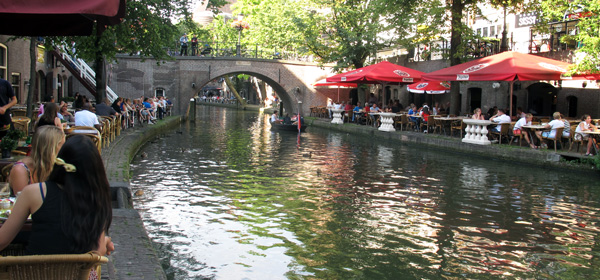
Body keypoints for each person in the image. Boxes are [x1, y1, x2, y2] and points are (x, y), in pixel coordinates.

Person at [0, 135, 114, 257]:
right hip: (77, 274)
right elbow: (97, 251)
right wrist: (105, 240)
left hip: (34, 273)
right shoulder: (97, 198)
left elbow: (2, 241)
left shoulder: (34, 192)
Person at [9, 126, 65, 196]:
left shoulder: (55, 165)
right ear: (50, 148)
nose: (65, 148)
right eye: (62, 145)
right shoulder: (21, 170)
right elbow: (24, 203)